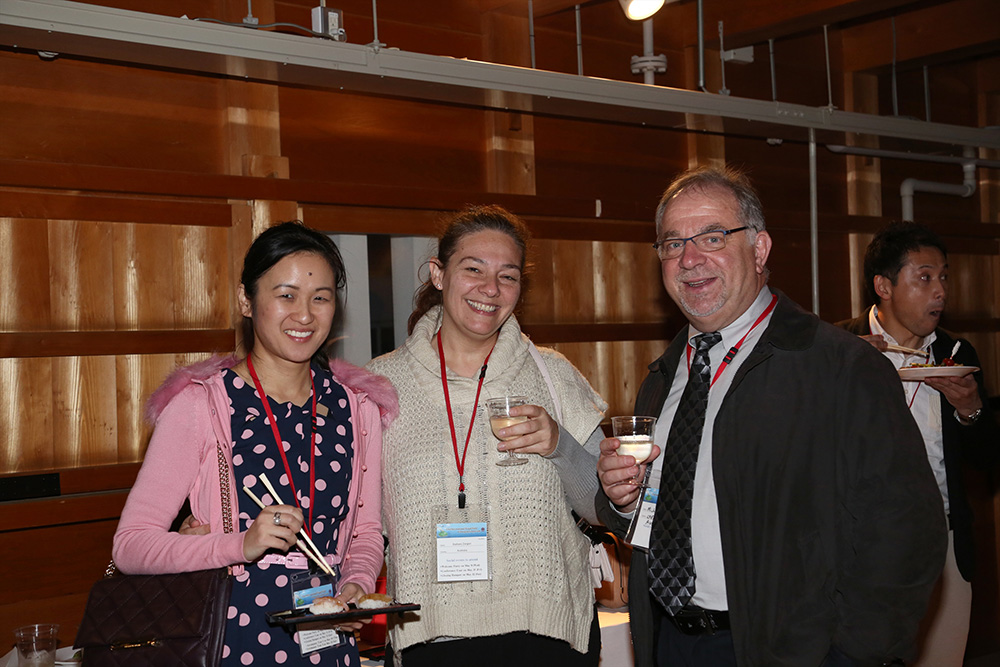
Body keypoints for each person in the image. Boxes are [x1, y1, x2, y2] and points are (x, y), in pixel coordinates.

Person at [595, 165, 947, 667]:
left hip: (791, 651)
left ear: (759, 249)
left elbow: (906, 533)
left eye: (712, 237)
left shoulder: (841, 367)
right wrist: (624, 502)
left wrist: (850, 655)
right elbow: (669, 511)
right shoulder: (664, 376)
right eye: (673, 244)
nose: (689, 259)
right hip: (669, 641)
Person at [113, 221, 398, 666]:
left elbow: (365, 531)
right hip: (230, 641)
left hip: (328, 643)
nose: (305, 315)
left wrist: (355, 586)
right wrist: (240, 544)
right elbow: (130, 546)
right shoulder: (201, 404)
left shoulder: (356, 408)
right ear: (246, 301)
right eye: (286, 295)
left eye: (320, 297)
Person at [367, 205, 608, 667]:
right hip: (431, 638)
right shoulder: (381, 385)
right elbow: (362, 522)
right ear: (439, 274)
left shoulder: (552, 375)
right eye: (473, 269)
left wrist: (559, 445)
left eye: (508, 276)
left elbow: (603, 508)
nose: (491, 289)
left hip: (546, 636)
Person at [837, 221, 1000, 667]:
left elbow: (987, 457)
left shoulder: (956, 354)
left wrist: (971, 409)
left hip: (943, 542)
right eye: (924, 277)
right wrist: (843, 372)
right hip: (860, 545)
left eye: (943, 276)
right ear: (884, 286)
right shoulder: (838, 347)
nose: (941, 291)